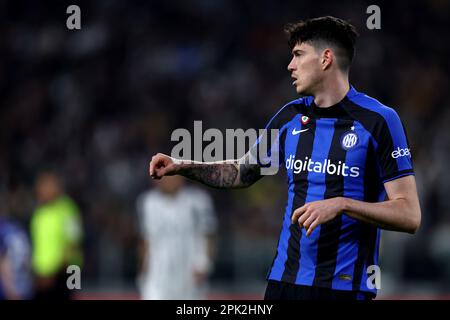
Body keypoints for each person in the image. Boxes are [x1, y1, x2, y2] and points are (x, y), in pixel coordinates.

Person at [149, 16, 421, 300]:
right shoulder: (289, 117)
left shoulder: (379, 121)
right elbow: (242, 172)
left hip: (345, 288)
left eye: (298, 55)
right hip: (284, 282)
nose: (290, 65)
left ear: (326, 58)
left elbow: (409, 215)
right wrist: (182, 166)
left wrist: (342, 205)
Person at [136, 175, 217, 300]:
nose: (169, 180)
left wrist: (204, 265)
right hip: (157, 276)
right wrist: (143, 270)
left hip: (190, 276)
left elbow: (208, 235)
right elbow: (145, 239)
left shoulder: (199, 201)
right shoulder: (147, 202)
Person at [30, 171, 83, 300]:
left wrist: (56, 272)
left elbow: (74, 243)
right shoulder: (39, 213)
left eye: (45, 186)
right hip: (43, 275)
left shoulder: (68, 208)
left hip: (67, 271)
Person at [0, 215, 33, 300]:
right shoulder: (18, 229)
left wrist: (10, 290)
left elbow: (4, 261)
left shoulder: (5, 230)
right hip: (23, 287)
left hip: (13, 290)